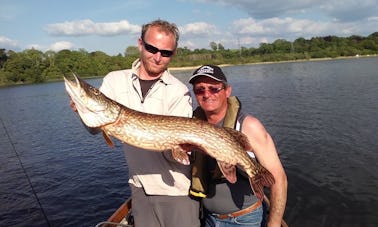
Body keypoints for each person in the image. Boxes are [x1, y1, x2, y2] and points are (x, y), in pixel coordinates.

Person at [71, 19, 200, 227]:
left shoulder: (178, 90)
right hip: (139, 189)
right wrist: (83, 111)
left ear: (173, 54)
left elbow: (173, 152)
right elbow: (96, 128)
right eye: (151, 48)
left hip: (176, 191)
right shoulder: (114, 80)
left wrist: (183, 147)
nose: (157, 57)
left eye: (165, 53)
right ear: (141, 44)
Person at [187, 65, 287, 227]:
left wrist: (274, 223)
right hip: (209, 218)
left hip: (243, 220)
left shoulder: (249, 126)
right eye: (200, 90)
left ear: (227, 91)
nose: (207, 94)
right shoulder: (193, 125)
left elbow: (279, 179)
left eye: (214, 89)